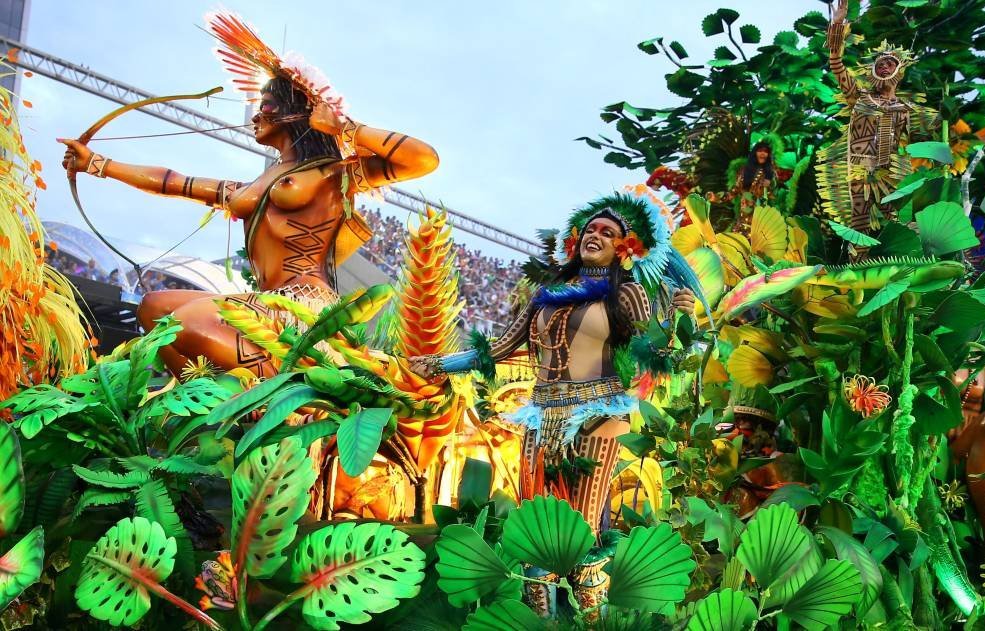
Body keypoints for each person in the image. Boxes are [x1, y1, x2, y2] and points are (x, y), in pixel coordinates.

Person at [59, 12, 438, 378]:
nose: (256, 116)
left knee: (187, 323)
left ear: (297, 113)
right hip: (263, 303)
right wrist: (97, 163)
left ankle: (279, 386)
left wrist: (346, 127)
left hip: (302, 308)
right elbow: (174, 181)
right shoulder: (254, 185)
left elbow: (422, 158)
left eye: (268, 107)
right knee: (154, 309)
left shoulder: (334, 174)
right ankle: (223, 403)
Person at [409, 192, 699, 613]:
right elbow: (501, 347)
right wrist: (439, 363)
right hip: (541, 415)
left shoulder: (629, 294)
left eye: (607, 232)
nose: (594, 236)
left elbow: (656, 355)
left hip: (597, 416)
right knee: (537, 527)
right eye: (589, 230)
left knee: (582, 531)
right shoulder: (548, 293)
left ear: (626, 248)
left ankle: (591, 622)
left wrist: (678, 319)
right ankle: (538, 621)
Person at [817, 0, 936, 249]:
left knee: (895, 225)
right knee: (859, 226)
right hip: (860, 171)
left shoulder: (907, 109)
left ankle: (899, 272)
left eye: (890, 62)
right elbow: (836, 64)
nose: (883, 65)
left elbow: (922, 146)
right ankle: (857, 277)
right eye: (879, 63)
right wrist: (838, 24)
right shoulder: (858, 97)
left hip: (892, 174)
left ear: (899, 70)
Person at [717, 141, 776, 236]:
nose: (763, 153)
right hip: (744, 221)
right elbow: (734, 190)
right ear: (754, 153)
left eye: (766, 151)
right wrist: (718, 197)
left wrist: (769, 183)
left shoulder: (771, 173)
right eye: (760, 150)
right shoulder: (744, 171)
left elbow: (773, 195)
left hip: (763, 221)